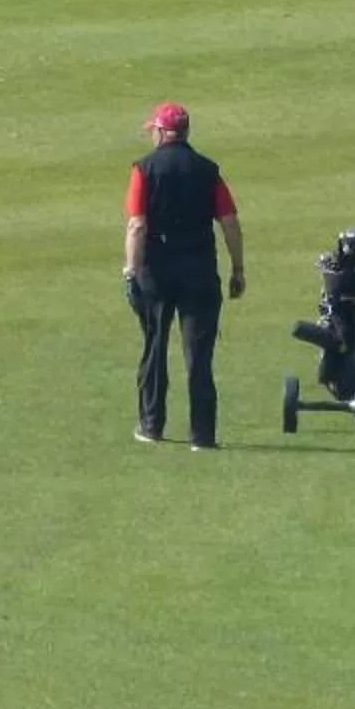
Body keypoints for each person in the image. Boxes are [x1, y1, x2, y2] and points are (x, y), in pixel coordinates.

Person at [124, 101, 244, 450]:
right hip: (200, 269)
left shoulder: (144, 170)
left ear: (161, 133)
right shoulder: (208, 170)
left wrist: (131, 271)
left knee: (155, 347)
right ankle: (203, 435)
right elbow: (230, 222)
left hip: (156, 271)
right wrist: (238, 268)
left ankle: (151, 425)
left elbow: (137, 224)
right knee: (199, 356)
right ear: (186, 132)